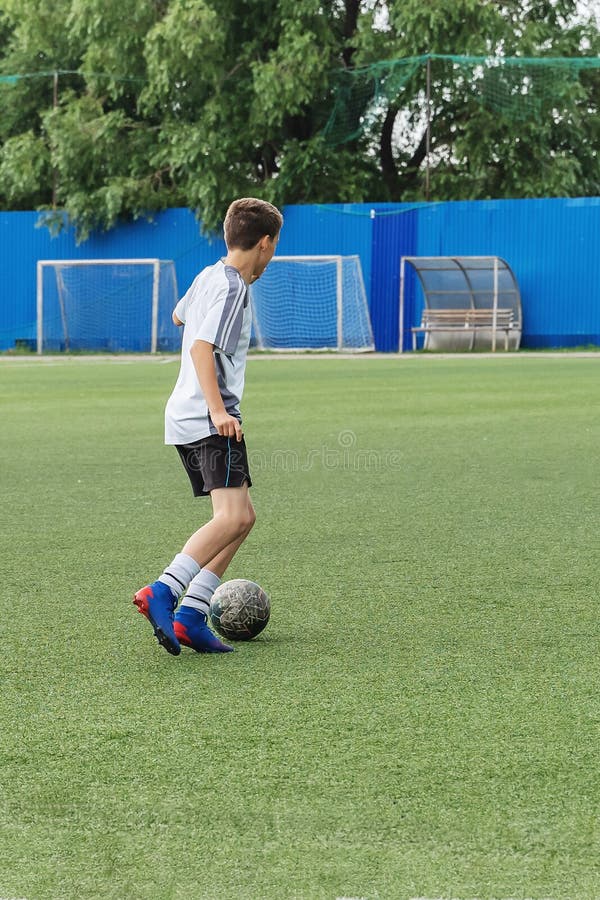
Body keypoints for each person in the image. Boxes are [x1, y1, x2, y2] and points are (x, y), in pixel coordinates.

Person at [134, 197, 283, 655]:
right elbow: (200, 347)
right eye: (273, 247)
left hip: (184, 415)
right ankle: (163, 591)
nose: (271, 255)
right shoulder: (234, 285)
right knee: (233, 517)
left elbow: (180, 316)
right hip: (208, 417)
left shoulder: (208, 275)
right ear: (264, 243)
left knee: (242, 518)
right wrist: (219, 412)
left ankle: (192, 614)